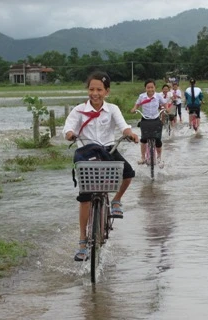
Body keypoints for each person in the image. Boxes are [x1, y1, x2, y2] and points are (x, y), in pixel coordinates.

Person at [63, 71, 139, 261]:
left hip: (108, 150)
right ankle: (82, 241)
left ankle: (115, 200)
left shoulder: (112, 109)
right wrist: (70, 133)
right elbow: (68, 127)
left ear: (107, 92)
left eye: (99, 89)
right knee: (85, 197)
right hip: (87, 153)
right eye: (91, 89)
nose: (94, 93)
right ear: (87, 90)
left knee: (128, 173)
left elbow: (123, 126)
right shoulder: (79, 110)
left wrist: (130, 134)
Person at [130, 79, 166, 168]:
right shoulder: (142, 96)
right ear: (145, 88)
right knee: (143, 139)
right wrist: (134, 109)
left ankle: (159, 158)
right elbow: (137, 104)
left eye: (152, 87)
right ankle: (143, 157)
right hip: (145, 119)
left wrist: (167, 109)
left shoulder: (158, 96)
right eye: (148, 87)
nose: (150, 89)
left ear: (155, 87)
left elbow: (164, 104)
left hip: (156, 119)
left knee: (158, 139)